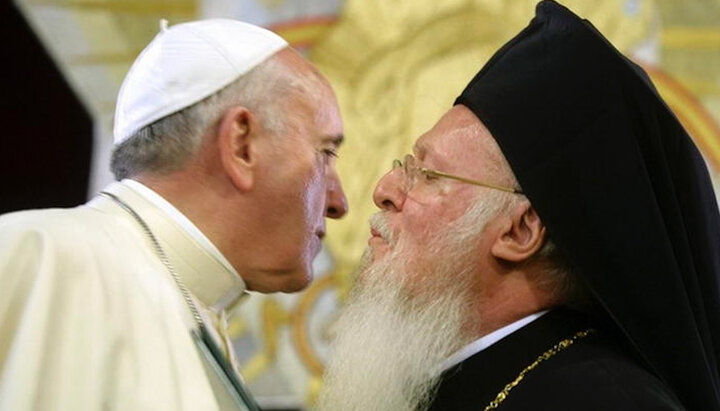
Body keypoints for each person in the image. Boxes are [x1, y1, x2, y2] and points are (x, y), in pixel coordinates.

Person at [317, 1, 720, 410]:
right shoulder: (448, 379)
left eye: (430, 175)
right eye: (407, 165)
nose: (385, 188)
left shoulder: (602, 402)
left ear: (519, 232)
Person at [0, 19, 347, 410]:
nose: (339, 202)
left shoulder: (198, 311)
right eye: (326, 154)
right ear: (242, 145)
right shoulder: (43, 256)